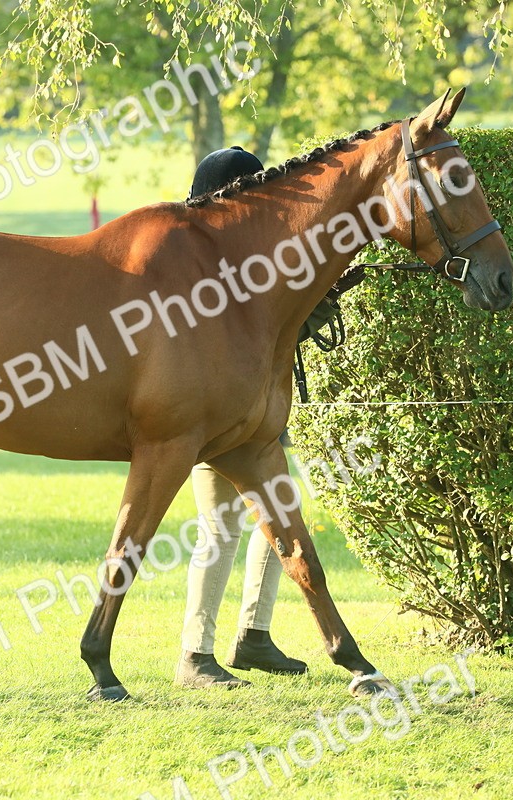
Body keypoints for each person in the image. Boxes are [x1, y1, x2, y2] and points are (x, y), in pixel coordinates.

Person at [175, 146, 327, 689]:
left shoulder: (243, 257)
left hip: (253, 418)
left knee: (275, 521)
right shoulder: (205, 264)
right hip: (212, 418)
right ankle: (195, 655)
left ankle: (254, 635)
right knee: (221, 528)